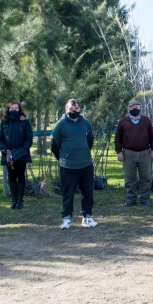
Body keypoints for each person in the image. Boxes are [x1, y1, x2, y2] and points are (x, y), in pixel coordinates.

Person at [51, 98, 98, 229]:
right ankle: (67, 218)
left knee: (88, 192)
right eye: (71, 109)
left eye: (76, 109)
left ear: (80, 109)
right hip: (68, 166)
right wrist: (64, 158)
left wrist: (82, 153)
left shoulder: (85, 123)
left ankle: (87, 217)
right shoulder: (60, 125)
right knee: (68, 193)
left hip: (86, 164)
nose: (73, 111)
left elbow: (89, 141)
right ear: (66, 109)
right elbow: (55, 145)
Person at [115, 100, 153, 207]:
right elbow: (117, 138)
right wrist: (119, 152)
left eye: (137, 107)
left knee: (146, 178)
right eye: (132, 108)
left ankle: (145, 200)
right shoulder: (123, 122)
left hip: (144, 153)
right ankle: (130, 200)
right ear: (128, 109)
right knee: (130, 178)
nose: (135, 109)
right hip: (128, 153)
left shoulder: (146, 120)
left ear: (140, 108)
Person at [0, 101, 33, 209]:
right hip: (8, 155)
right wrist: (6, 151)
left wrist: (21, 151)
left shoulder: (25, 122)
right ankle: (13, 200)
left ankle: (20, 201)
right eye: (12, 108)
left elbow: (29, 138)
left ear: (19, 109)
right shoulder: (4, 122)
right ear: (8, 109)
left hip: (21, 155)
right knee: (11, 177)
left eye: (16, 108)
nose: (14, 110)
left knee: (21, 176)